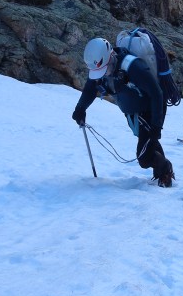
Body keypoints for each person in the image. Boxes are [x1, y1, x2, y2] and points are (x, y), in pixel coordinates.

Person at [72, 37, 174, 187]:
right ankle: (162, 174)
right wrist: (80, 108)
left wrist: (156, 125)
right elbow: (90, 88)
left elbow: (157, 93)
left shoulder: (133, 67)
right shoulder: (100, 68)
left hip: (150, 109)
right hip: (134, 111)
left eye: (104, 70)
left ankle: (166, 169)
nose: (103, 74)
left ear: (110, 57)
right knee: (149, 143)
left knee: (144, 157)